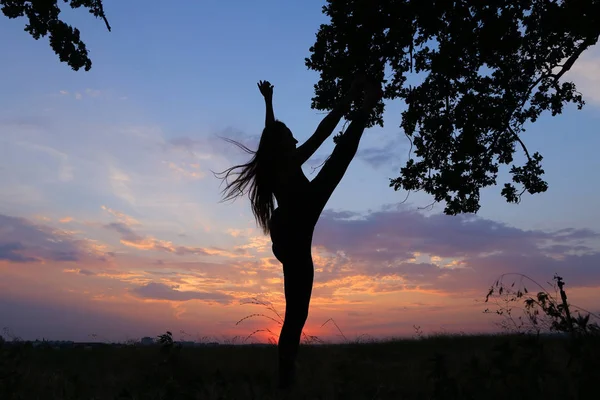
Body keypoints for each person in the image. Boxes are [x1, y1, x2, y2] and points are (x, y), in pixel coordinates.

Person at [217, 76, 382, 388]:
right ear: (285, 144)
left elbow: (271, 132)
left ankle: (284, 378)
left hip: (285, 233)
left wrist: (268, 102)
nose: (295, 141)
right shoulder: (288, 158)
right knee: (340, 158)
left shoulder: (270, 162)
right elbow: (324, 131)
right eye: (291, 138)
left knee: (295, 315)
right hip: (298, 219)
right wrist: (349, 95)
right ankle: (285, 379)